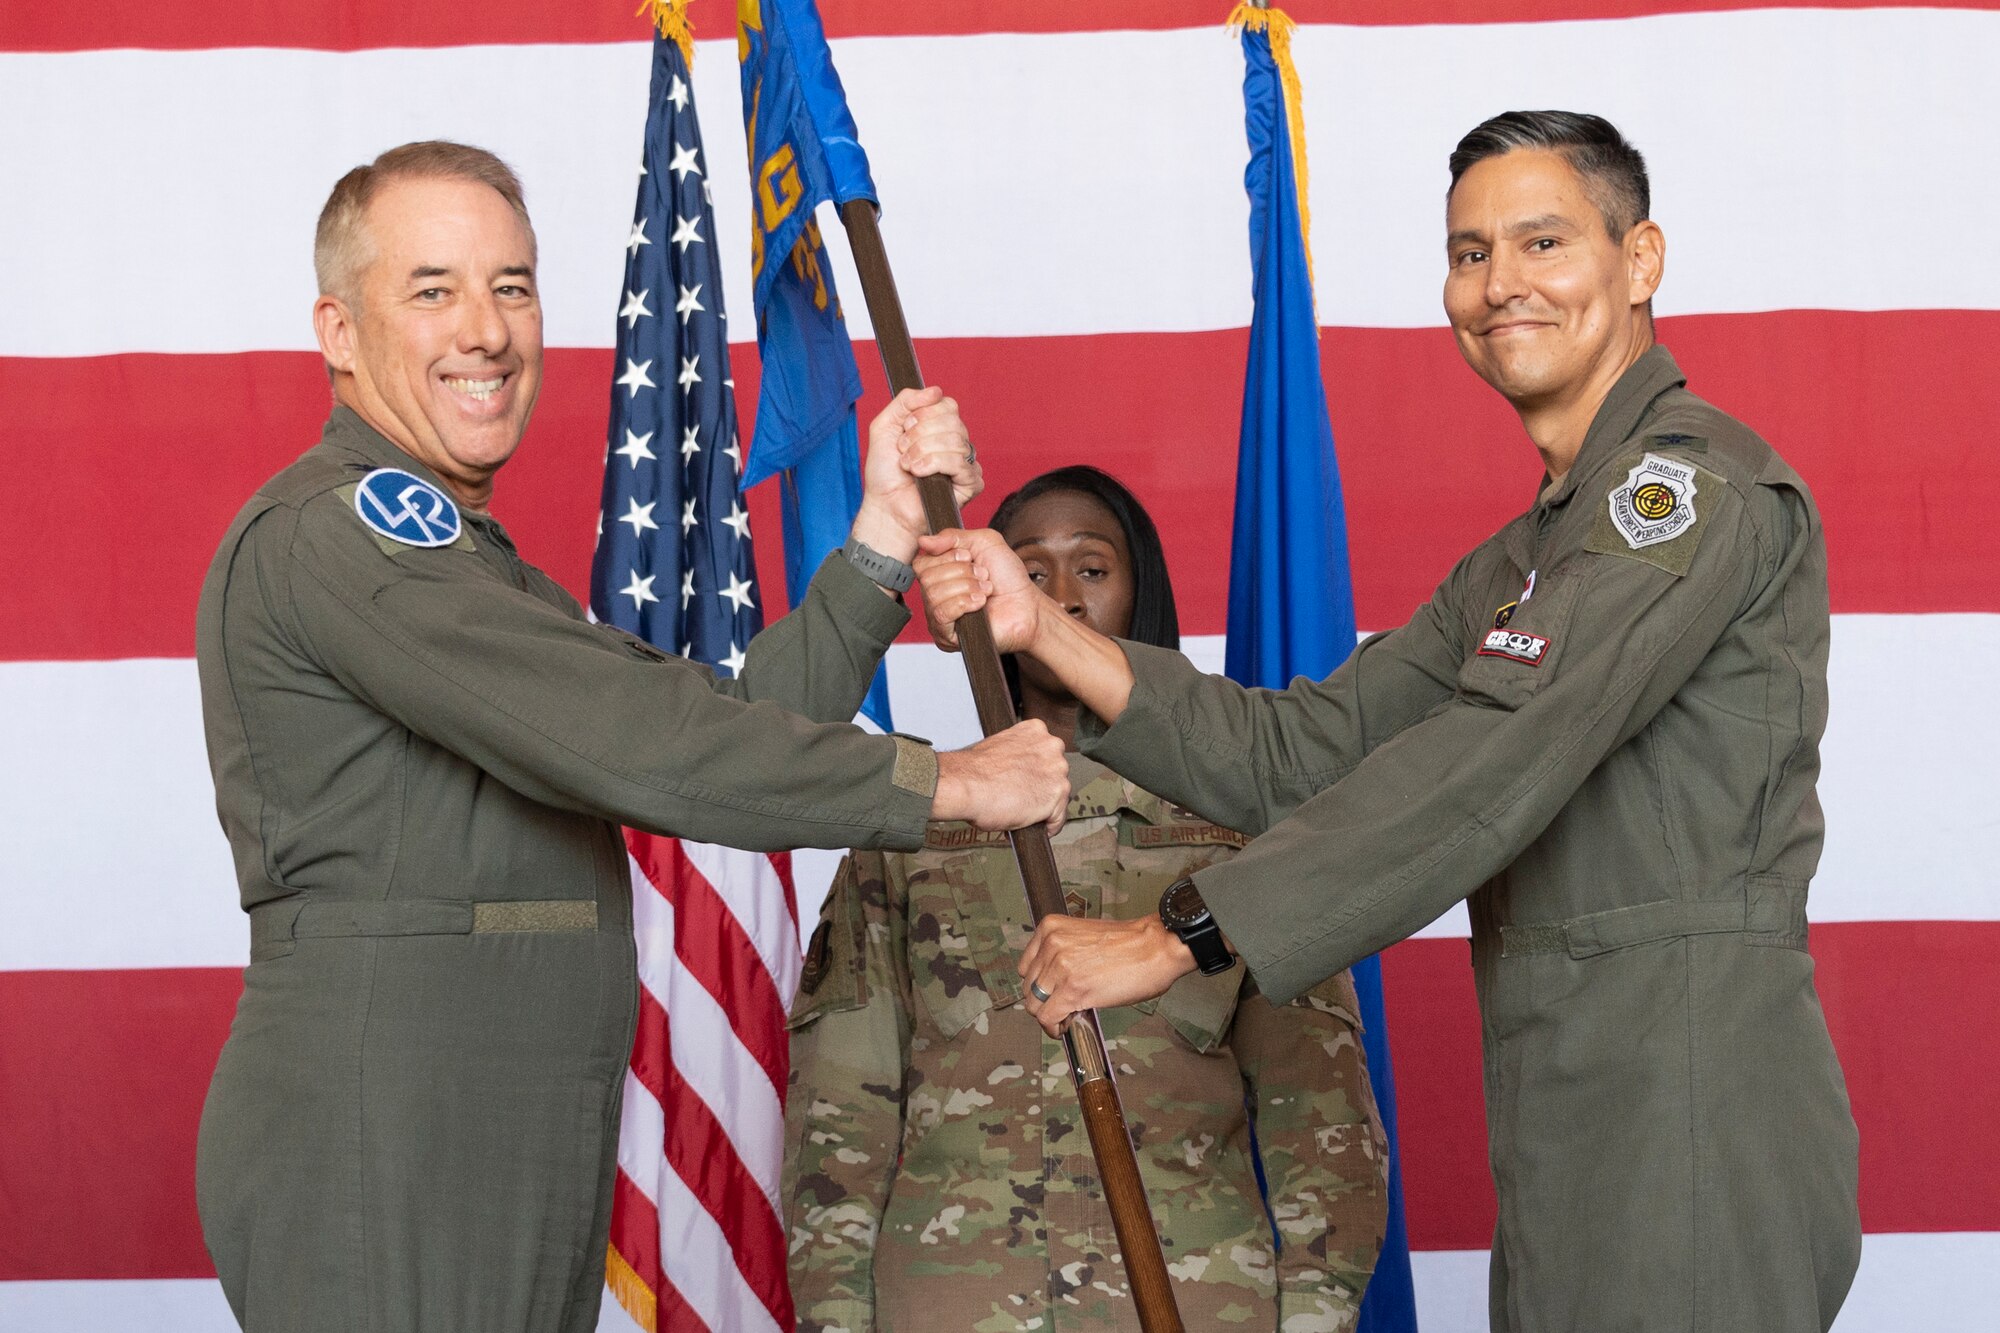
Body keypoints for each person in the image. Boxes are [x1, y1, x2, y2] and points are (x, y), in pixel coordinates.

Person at [917, 113, 1862, 1333]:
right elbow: (1299, 752)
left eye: (1540, 241)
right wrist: (1038, 627)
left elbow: (1485, 763)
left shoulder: (1678, 495)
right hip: (1572, 1103)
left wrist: (1172, 936)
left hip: (1686, 1098)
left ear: (1639, 263)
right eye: (1469, 253)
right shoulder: (1526, 556)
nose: (1499, 284)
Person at [192, 140, 1069, 1333]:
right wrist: (947, 782)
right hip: (394, 1129)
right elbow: (642, 740)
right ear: (338, 333)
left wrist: (872, 545)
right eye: (433, 288)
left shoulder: (462, 558)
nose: (487, 330)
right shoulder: (347, 532)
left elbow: (704, 723)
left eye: (511, 285)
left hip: (485, 1131)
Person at [783, 467, 1389, 1333]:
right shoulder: (910, 821)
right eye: (1029, 570)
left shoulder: (1237, 830)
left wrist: (1314, 1321)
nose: (1061, 596)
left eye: (1093, 569)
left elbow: (1321, 1122)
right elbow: (838, 1122)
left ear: (1140, 588)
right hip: (953, 1305)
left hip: (1193, 1298)